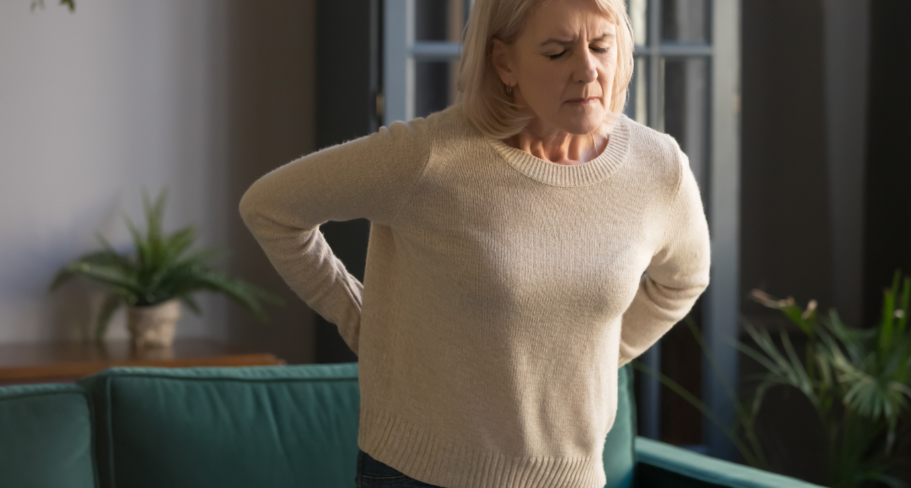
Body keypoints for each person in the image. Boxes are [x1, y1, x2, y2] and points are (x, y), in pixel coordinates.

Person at [238, 0, 711, 486]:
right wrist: (364, 319)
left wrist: (597, 353)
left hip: (572, 477)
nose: (588, 69)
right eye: (557, 52)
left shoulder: (658, 167)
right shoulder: (428, 158)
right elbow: (270, 209)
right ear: (503, 62)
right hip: (418, 473)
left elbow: (684, 279)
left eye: (600, 46)